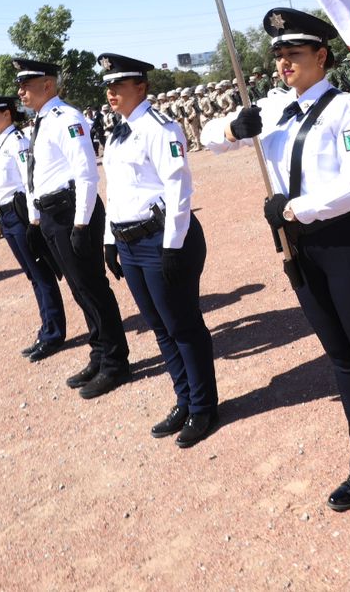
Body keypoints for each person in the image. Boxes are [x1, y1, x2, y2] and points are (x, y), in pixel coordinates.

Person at [203, 9, 350, 523]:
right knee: (341, 358)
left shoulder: (347, 108)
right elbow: (211, 140)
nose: (284, 63)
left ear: (321, 56)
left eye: (294, 54)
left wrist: (295, 209)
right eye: (279, 55)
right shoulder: (273, 108)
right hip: (299, 247)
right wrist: (232, 127)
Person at [96, 52, 218, 448]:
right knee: (161, 328)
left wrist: (172, 246)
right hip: (130, 243)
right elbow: (116, 191)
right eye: (108, 86)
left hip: (161, 239)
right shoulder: (118, 132)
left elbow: (179, 187)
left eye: (119, 85)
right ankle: (184, 399)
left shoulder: (160, 128)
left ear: (141, 87)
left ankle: (204, 407)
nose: (111, 92)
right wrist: (110, 240)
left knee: (183, 326)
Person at [13, 58, 130, 396]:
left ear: (47, 85)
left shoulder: (66, 118)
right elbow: (38, 175)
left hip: (72, 213)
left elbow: (85, 173)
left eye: (26, 85)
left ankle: (115, 363)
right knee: (79, 289)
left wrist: (81, 225)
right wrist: (36, 221)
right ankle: (100, 353)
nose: (20, 92)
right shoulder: (42, 121)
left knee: (92, 287)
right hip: (53, 215)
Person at [0, 93, 68, 360]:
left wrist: (34, 220)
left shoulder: (18, 142)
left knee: (42, 274)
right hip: (6, 216)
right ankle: (47, 328)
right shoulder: (0, 143)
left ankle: (54, 334)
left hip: (21, 216)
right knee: (33, 275)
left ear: (7, 114)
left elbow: (29, 182)